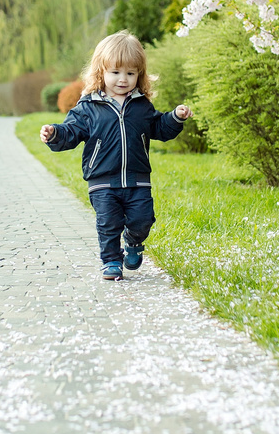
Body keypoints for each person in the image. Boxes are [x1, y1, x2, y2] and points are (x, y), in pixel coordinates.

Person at [40, 31, 192, 280]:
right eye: (116, 72)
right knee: (108, 224)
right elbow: (71, 132)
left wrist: (174, 117)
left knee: (142, 219)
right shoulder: (88, 107)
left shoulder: (142, 106)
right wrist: (54, 134)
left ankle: (133, 241)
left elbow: (158, 128)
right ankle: (111, 261)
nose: (123, 79)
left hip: (137, 179)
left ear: (139, 75)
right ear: (101, 71)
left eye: (131, 73)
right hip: (102, 181)